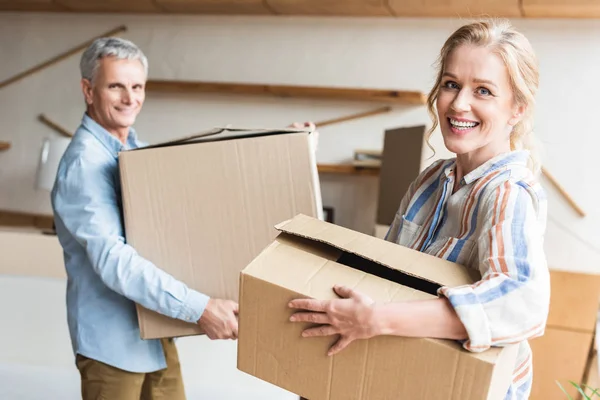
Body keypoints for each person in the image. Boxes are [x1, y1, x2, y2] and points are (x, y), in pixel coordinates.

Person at [288, 19, 549, 400]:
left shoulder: (507, 192)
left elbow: (519, 302)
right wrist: (297, 164)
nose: (459, 103)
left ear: (517, 110)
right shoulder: (431, 180)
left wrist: (376, 319)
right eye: (451, 84)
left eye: (484, 91)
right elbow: (385, 271)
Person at [51, 37, 240, 400]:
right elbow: (114, 261)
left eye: (137, 86)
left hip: (154, 335)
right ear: (88, 90)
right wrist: (199, 308)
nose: (129, 98)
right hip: (111, 348)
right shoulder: (84, 165)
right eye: (116, 86)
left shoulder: (134, 151)